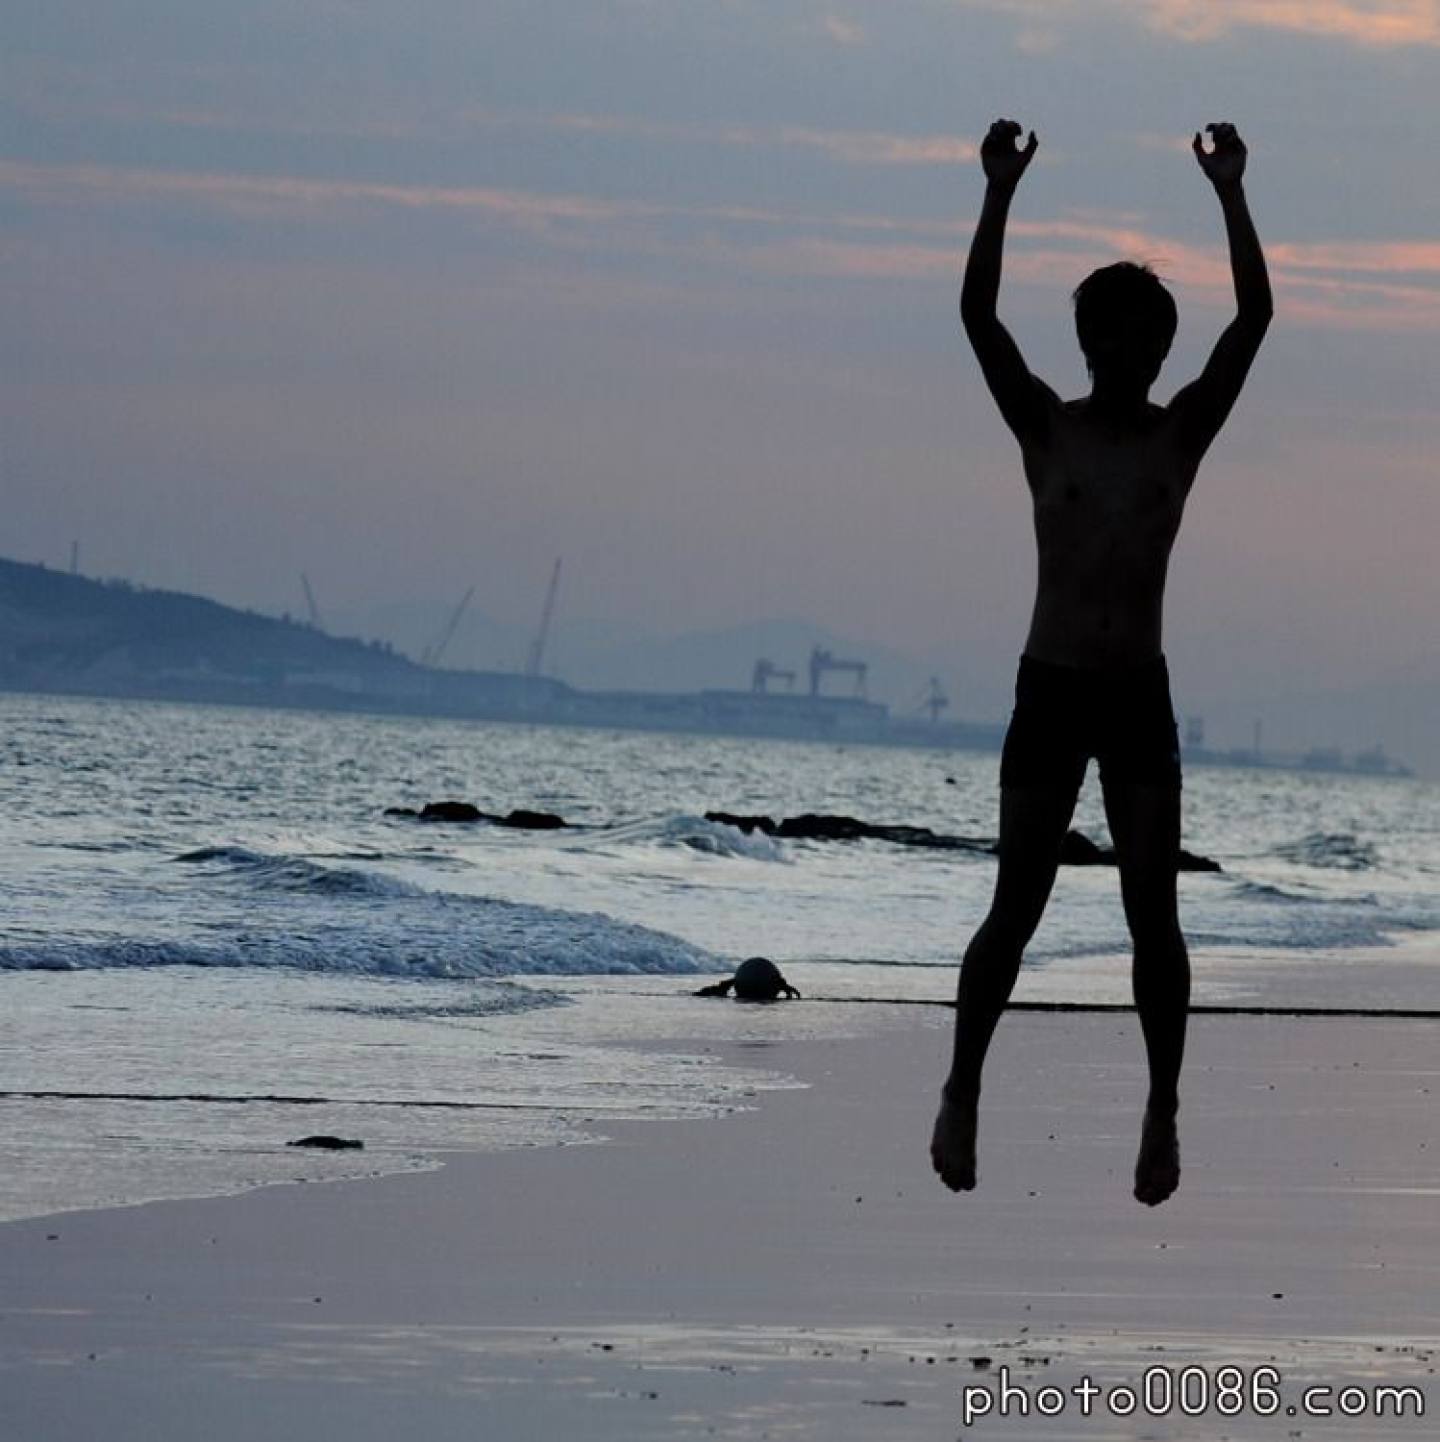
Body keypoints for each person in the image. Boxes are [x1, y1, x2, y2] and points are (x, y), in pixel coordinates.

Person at [930, 120, 1272, 1206]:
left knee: (1152, 916)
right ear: (1087, 342)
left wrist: (1231, 193)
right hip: (1052, 685)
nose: (1128, 356)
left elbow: (1254, 321)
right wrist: (998, 191)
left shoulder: (1179, 438)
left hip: (1136, 696)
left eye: (1144, 341)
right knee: (1016, 904)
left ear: (1161, 351)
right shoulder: (1048, 429)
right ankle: (962, 1088)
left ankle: (1162, 1107)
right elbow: (978, 318)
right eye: (1111, 338)